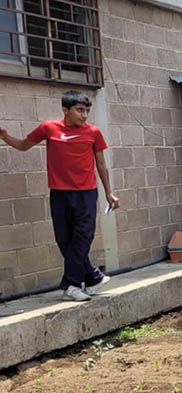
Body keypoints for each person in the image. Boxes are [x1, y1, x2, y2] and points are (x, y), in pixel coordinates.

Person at [0, 91, 120, 302]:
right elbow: (23, 145)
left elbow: (101, 164)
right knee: (64, 239)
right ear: (65, 110)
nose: (84, 115)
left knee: (83, 237)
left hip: (86, 193)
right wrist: (5, 137)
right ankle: (93, 277)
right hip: (59, 193)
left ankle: (71, 285)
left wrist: (109, 192)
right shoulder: (49, 128)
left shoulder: (93, 132)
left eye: (87, 111)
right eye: (80, 110)